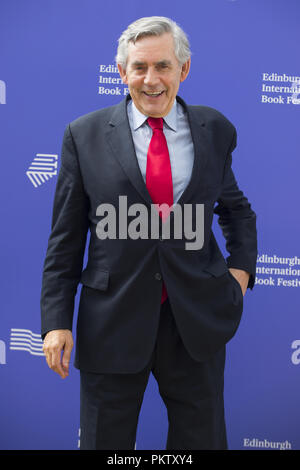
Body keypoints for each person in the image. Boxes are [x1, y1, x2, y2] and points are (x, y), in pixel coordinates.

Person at [41, 16, 257, 450]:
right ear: (122, 73)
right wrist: (56, 322)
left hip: (196, 320)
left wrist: (240, 276)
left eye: (163, 66)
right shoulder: (82, 136)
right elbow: (65, 239)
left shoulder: (214, 130)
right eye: (139, 67)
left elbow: (236, 211)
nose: (151, 79)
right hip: (112, 321)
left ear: (184, 69)